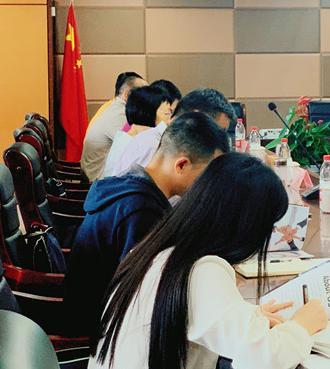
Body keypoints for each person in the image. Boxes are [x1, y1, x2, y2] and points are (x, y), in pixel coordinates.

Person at [85, 154, 328, 369]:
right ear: (245, 227)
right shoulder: (201, 270)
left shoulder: (156, 251)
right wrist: (302, 325)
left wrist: (247, 317)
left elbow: (192, 316)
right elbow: (266, 360)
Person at [65, 112, 230, 337]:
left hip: (109, 318)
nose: (208, 185)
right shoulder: (139, 210)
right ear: (181, 165)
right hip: (103, 334)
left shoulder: (133, 187)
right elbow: (147, 296)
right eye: (207, 176)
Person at [110, 88, 235, 178]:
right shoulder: (150, 145)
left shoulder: (176, 142)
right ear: (196, 117)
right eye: (218, 131)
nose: (220, 140)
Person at [81, 72, 148, 181]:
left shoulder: (115, 107)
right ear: (127, 94)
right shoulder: (120, 114)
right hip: (98, 180)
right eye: (145, 94)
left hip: (100, 175)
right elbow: (136, 148)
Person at [102, 85, 174, 179]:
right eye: (167, 114)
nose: (169, 120)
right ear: (149, 112)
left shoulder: (127, 137)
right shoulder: (144, 144)